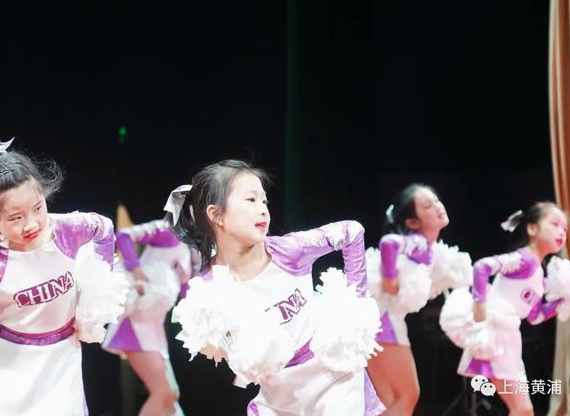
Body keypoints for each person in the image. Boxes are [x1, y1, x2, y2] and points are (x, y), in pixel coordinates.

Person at [169, 159, 384, 416]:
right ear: (216, 215)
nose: (262, 209)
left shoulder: (290, 251)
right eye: (251, 200)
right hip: (279, 397)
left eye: (264, 201)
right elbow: (219, 348)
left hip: (333, 381)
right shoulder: (209, 289)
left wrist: (354, 310)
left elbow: (351, 231)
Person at [0, 138, 116, 415]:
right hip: (9, 368)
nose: (31, 223)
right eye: (15, 217)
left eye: (38, 208)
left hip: (62, 361)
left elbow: (105, 229)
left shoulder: (68, 229)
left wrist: (97, 294)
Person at [455, 202, 567, 416]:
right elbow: (482, 267)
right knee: (522, 409)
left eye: (564, 228)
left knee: (523, 410)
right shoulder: (524, 259)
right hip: (496, 335)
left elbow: (535, 316)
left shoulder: (539, 274)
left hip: (510, 339)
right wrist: (480, 308)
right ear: (532, 228)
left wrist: (564, 301)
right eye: (555, 224)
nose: (561, 231)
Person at [366, 184, 450, 415]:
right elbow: (389, 243)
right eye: (427, 205)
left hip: (375, 323)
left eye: (436, 201)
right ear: (413, 222)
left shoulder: (426, 246)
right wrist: (389, 280)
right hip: (386, 324)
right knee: (407, 396)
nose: (437, 207)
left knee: (387, 401)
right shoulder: (419, 243)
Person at [103, 219, 199, 416]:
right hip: (136, 323)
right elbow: (124, 236)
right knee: (165, 394)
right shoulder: (167, 230)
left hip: (155, 327)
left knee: (171, 395)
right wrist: (138, 273)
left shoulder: (192, 249)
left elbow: (186, 292)